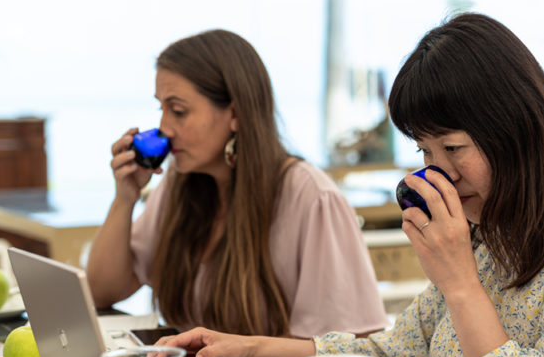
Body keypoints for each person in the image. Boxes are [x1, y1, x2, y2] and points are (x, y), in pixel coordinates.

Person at [157, 13, 544, 357]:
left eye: (453, 147)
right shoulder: (490, 235)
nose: (436, 174)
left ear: (515, 131)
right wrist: (251, 350)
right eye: (425, 151)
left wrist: (462, 286)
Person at [86, 29, 388, 339]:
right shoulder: (179, 184)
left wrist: (242, 353)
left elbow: (352, 346)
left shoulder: (310, 196)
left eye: (178, 111)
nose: (164, 128)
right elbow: (100, 293)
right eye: (161, 109)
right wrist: (125, 198)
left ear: (235, 113)